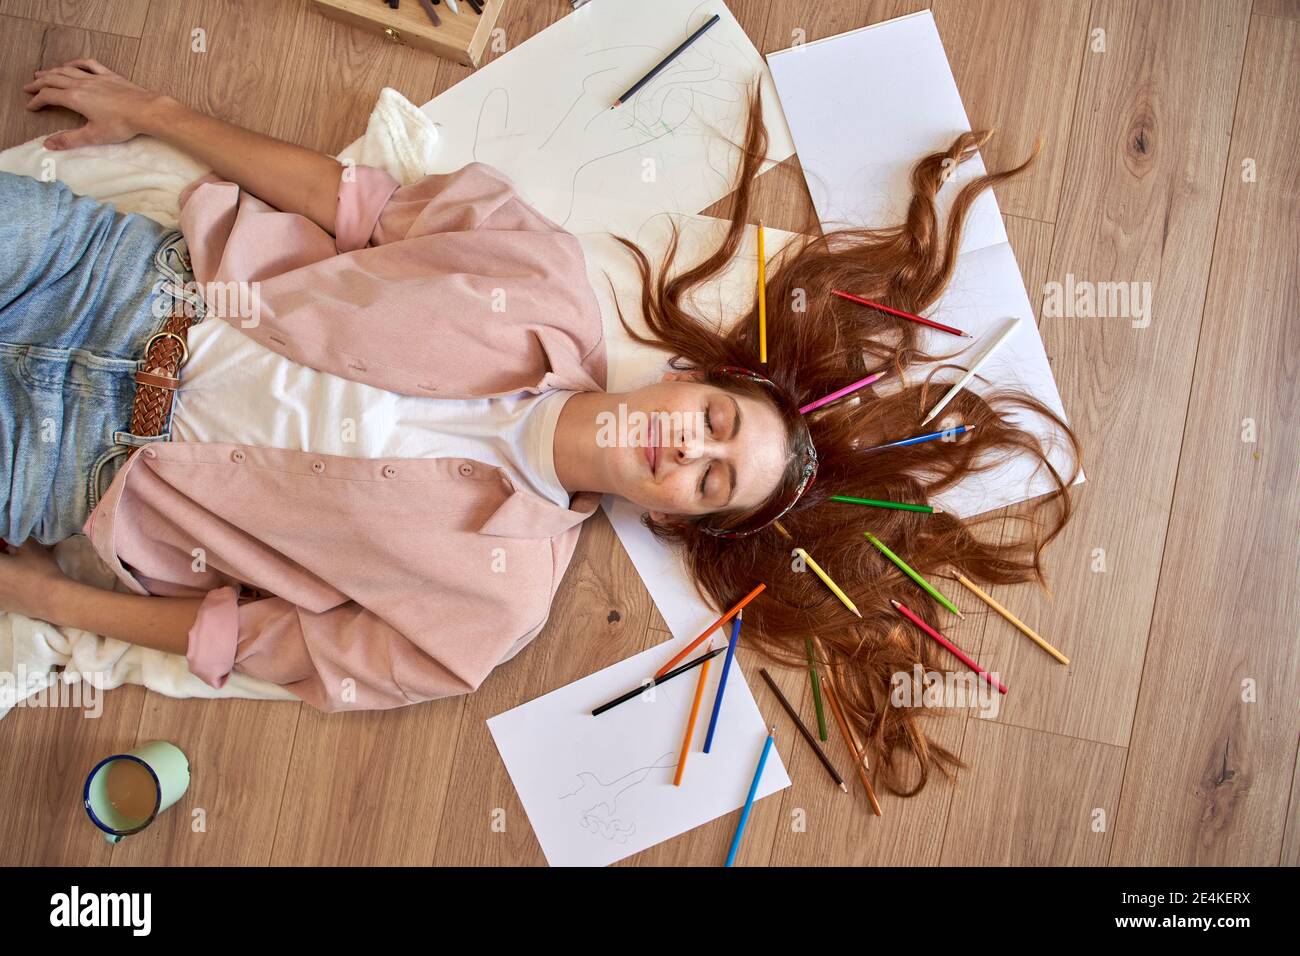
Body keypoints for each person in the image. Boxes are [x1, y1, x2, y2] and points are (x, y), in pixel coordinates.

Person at [1, 59, 1079, 796]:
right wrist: (157, 114)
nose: (686, 449)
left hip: (75, 464)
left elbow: (257, 642)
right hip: (128, 280)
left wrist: (45, 599)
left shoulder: (488, 611)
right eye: (712, 422)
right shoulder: (541, 269)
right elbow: (352, 200)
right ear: (690, 377)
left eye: (708, 479)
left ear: (675, 518)